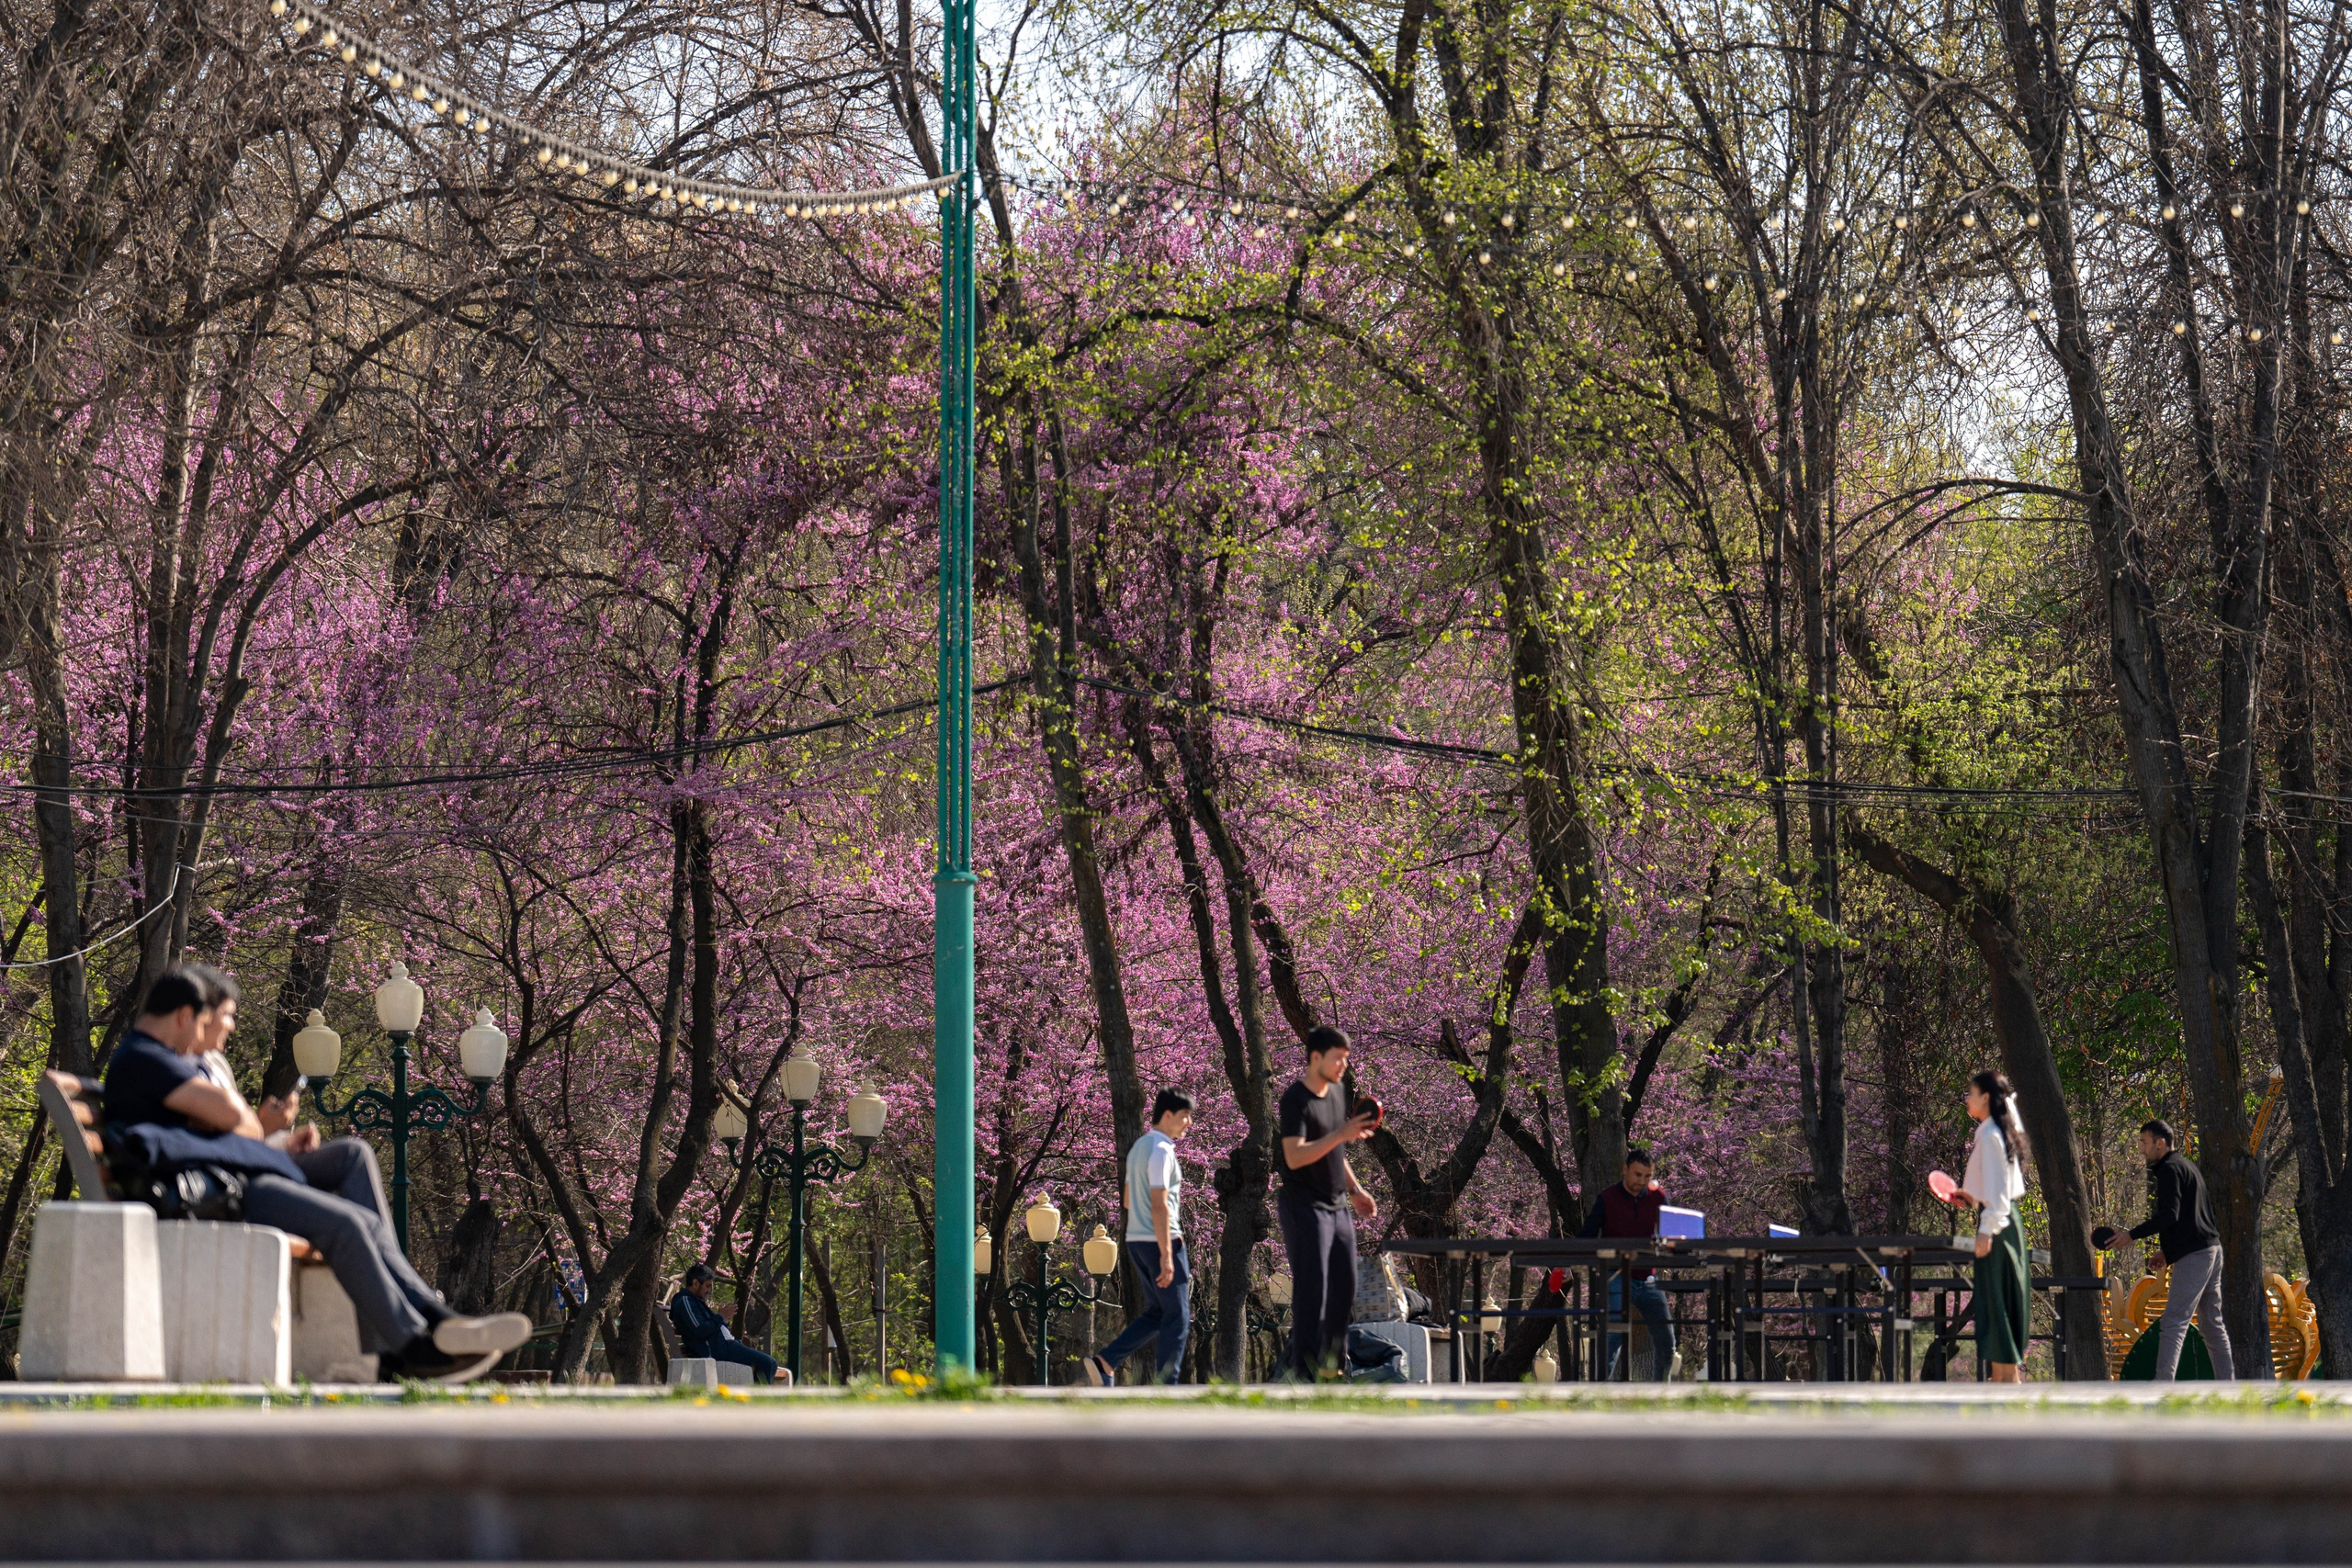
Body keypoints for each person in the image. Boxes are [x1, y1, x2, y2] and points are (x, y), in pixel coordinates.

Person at [103, 963, 532, 1382]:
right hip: (217, 1191)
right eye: (213, 1021)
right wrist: (236, 1120)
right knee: (346, 1224)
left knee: (356, 1199)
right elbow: (231, 1114)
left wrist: (242, 1125)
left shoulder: (160, 1059)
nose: (220, 1034)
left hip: (229, 1178)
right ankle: (410, 1347)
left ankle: (433, 1321)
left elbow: (230, 1123)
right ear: (184, 1015)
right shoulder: (146, 1059)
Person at [2092, 1118, 2234, 1381]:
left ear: (2160, 1143)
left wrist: (2131, 1235)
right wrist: (2168, 1253)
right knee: (2212, 1325)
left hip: (2197, 1256)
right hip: (2211, 1250)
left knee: (2173, 1322)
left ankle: (2162, 1388)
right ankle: (2229, 1386)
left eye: (2144, 1143)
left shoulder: (2170, 1169)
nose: (2141, 1149)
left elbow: (2169, 1215)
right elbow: (2191, 1220)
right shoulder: (2187, 1167)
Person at [1275, 1026, 1377, 1380]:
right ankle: (1304, 1374)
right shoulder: (1295, 1100)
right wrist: (1341, 1134)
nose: (1343, 1066)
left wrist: (1356, 1190)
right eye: (1338, 1058)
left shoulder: (1337, 1091)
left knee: (1344, 1289)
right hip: (1305, 1206)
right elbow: (1294, 1156)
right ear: (1315, 1057)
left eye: (1346, 1059)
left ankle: (1334, 1371)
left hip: (1337, 1206)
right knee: (1312, 1291)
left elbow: (1336, 1150)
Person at [1081, 1089, 1195, 1386]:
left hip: (1135, 1241)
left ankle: (1105, 1363)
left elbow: (1129, 1200)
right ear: (1167, 1115)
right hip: (1162, 1241)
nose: (1188, 1124)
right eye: (1185, 1117)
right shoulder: (1161, 1150)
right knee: (1178, 1316)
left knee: (1159, 1312)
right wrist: (1167, 1254)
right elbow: (1158, 1203)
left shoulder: (1138, 1148)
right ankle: (1166, 1386)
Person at [1942, 1069, 2030, 1382]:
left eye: (1971, 1092)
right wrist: (1971, 1197)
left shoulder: (1992, 1135)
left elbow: (1999, 1196)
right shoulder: (1992, 1132)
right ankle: (2004, 1380)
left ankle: (2008, 1381)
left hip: (1999, 1226)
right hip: (2003, 1222)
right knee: (1998, 1300)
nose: (1966, 1098)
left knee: (1997, 1300)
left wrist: (1985, 1229)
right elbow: (1995, 1187)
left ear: (1986, 1098)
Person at [1581, 1147, 1674, 1381]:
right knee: (1613, 1335)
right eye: (1637, 1174)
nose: (1641, 1181)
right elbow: (1588, 1234)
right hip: (1616, 1275)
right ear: (1625, 1170)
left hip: (1648, 1278)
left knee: (1667, 1340)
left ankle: (1659, 1393)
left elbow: (1671, 1234)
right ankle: (1598, 1392)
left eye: (1647, 1176)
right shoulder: (1607, 1198)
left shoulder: (1659, 1197)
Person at [668, 1263, 783, 1383]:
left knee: (768, 1364)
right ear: (696, 1283)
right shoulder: (685, 1301)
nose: (709, 1290)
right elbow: (700, 1330)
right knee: (769, 1363)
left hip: (725, 1346)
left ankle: (754, 1398)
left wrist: (724, 1320)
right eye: (707, 1286)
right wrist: (720, 1317)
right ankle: (756, 1400)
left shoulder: (695, 1301)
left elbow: (709, 1326)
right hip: (719, 1350)